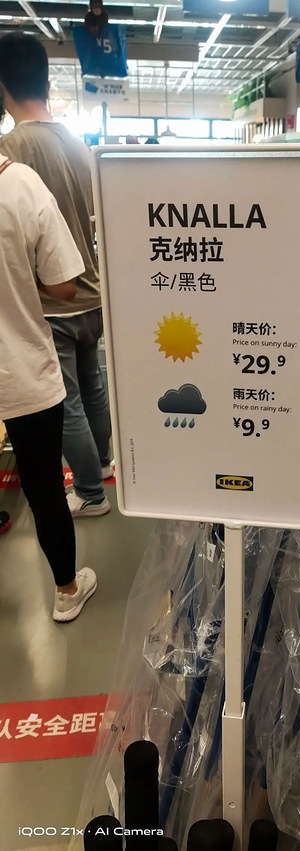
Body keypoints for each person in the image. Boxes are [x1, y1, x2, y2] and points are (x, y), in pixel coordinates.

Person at [0, 33, 112, 518]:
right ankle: (104, 464)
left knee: (67, 404)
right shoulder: (78, 143)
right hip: (93, 293)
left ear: (3, 88)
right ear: (47, 84)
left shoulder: (11, 150)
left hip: (54, 300)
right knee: (93, 386)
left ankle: (90, 492)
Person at [0, 146, 97, 621]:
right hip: (18, 365)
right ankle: (66, 589)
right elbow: (64, 285)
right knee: (43, 486)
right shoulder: (20, 184)